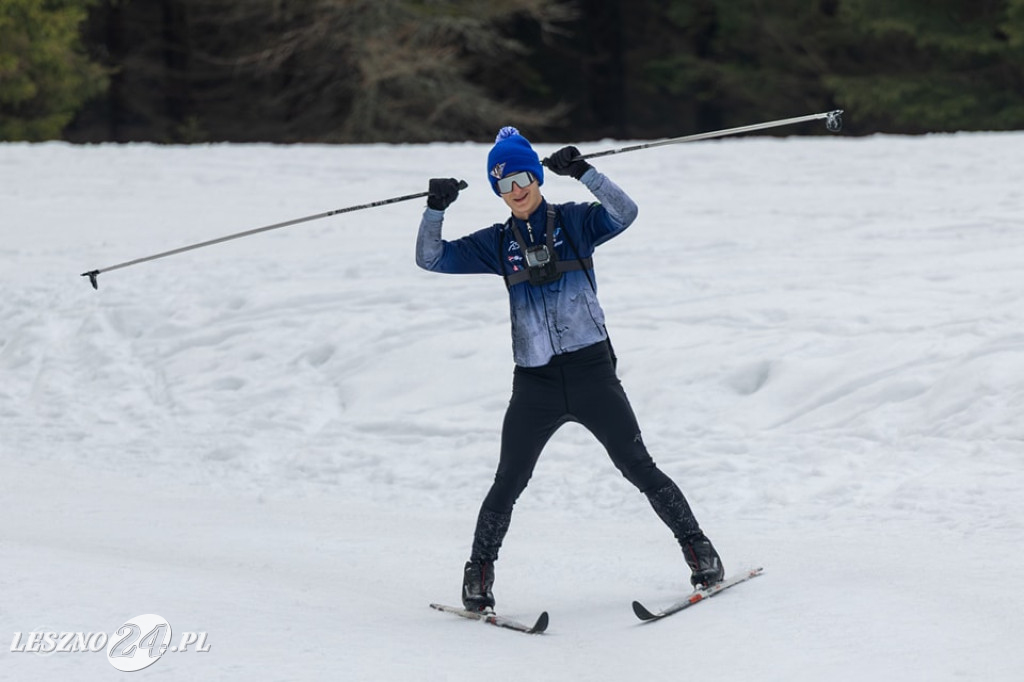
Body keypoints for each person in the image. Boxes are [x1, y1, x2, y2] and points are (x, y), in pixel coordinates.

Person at [415, 126, 724, 613]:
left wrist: (585, 173)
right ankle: (477, 577)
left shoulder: (576, 223)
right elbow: (430, 258)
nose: (515, 191)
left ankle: (700, 551)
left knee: (636, 464)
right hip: (534, 382)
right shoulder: (497, 243)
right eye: (503, 184)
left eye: (522, 178)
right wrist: (436, 208)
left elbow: (626, 213)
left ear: (537, 177)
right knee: (509, 479)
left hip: (591, 374)